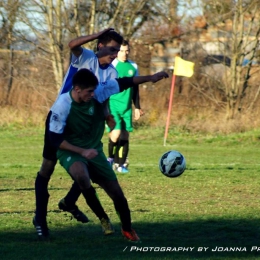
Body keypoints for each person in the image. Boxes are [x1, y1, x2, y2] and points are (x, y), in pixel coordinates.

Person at [49, 69, 168, 241]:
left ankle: (127, 229)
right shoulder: (62, 105)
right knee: (82, 176)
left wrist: (150, 77)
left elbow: (125, 82)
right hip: (70, 151)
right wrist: (82, 151)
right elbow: (55, 140)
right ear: (76, 89)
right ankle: (103, 218)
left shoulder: (97, 92)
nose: (92, 94)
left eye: (93, 91)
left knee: (117, 194)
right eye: (89, 91)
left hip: (94, 150)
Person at [33, 28, 123, 238]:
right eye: (112, 49)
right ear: (100, 46)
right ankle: (40, 219)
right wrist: (98, 34)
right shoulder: (86, 57)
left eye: (118, 50)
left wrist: (108, 115)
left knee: (89, 164)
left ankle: (70, 202)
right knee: (46, 170)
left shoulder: (112, 72)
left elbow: (104, 98)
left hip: (86, 123)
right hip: (60, 119)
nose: (115, 54)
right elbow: (72, 44)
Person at [107, 40, 144, 173]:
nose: (124, 53)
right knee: (116, 134)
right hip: (113, 105)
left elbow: (136, 88)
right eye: (121, 51)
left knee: (125, 136)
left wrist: (137, 107)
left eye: (126, 50)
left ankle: (121, 164)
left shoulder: (133, 66)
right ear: (117, 51)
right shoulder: (112, 65)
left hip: (127, 107)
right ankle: (110, 159)